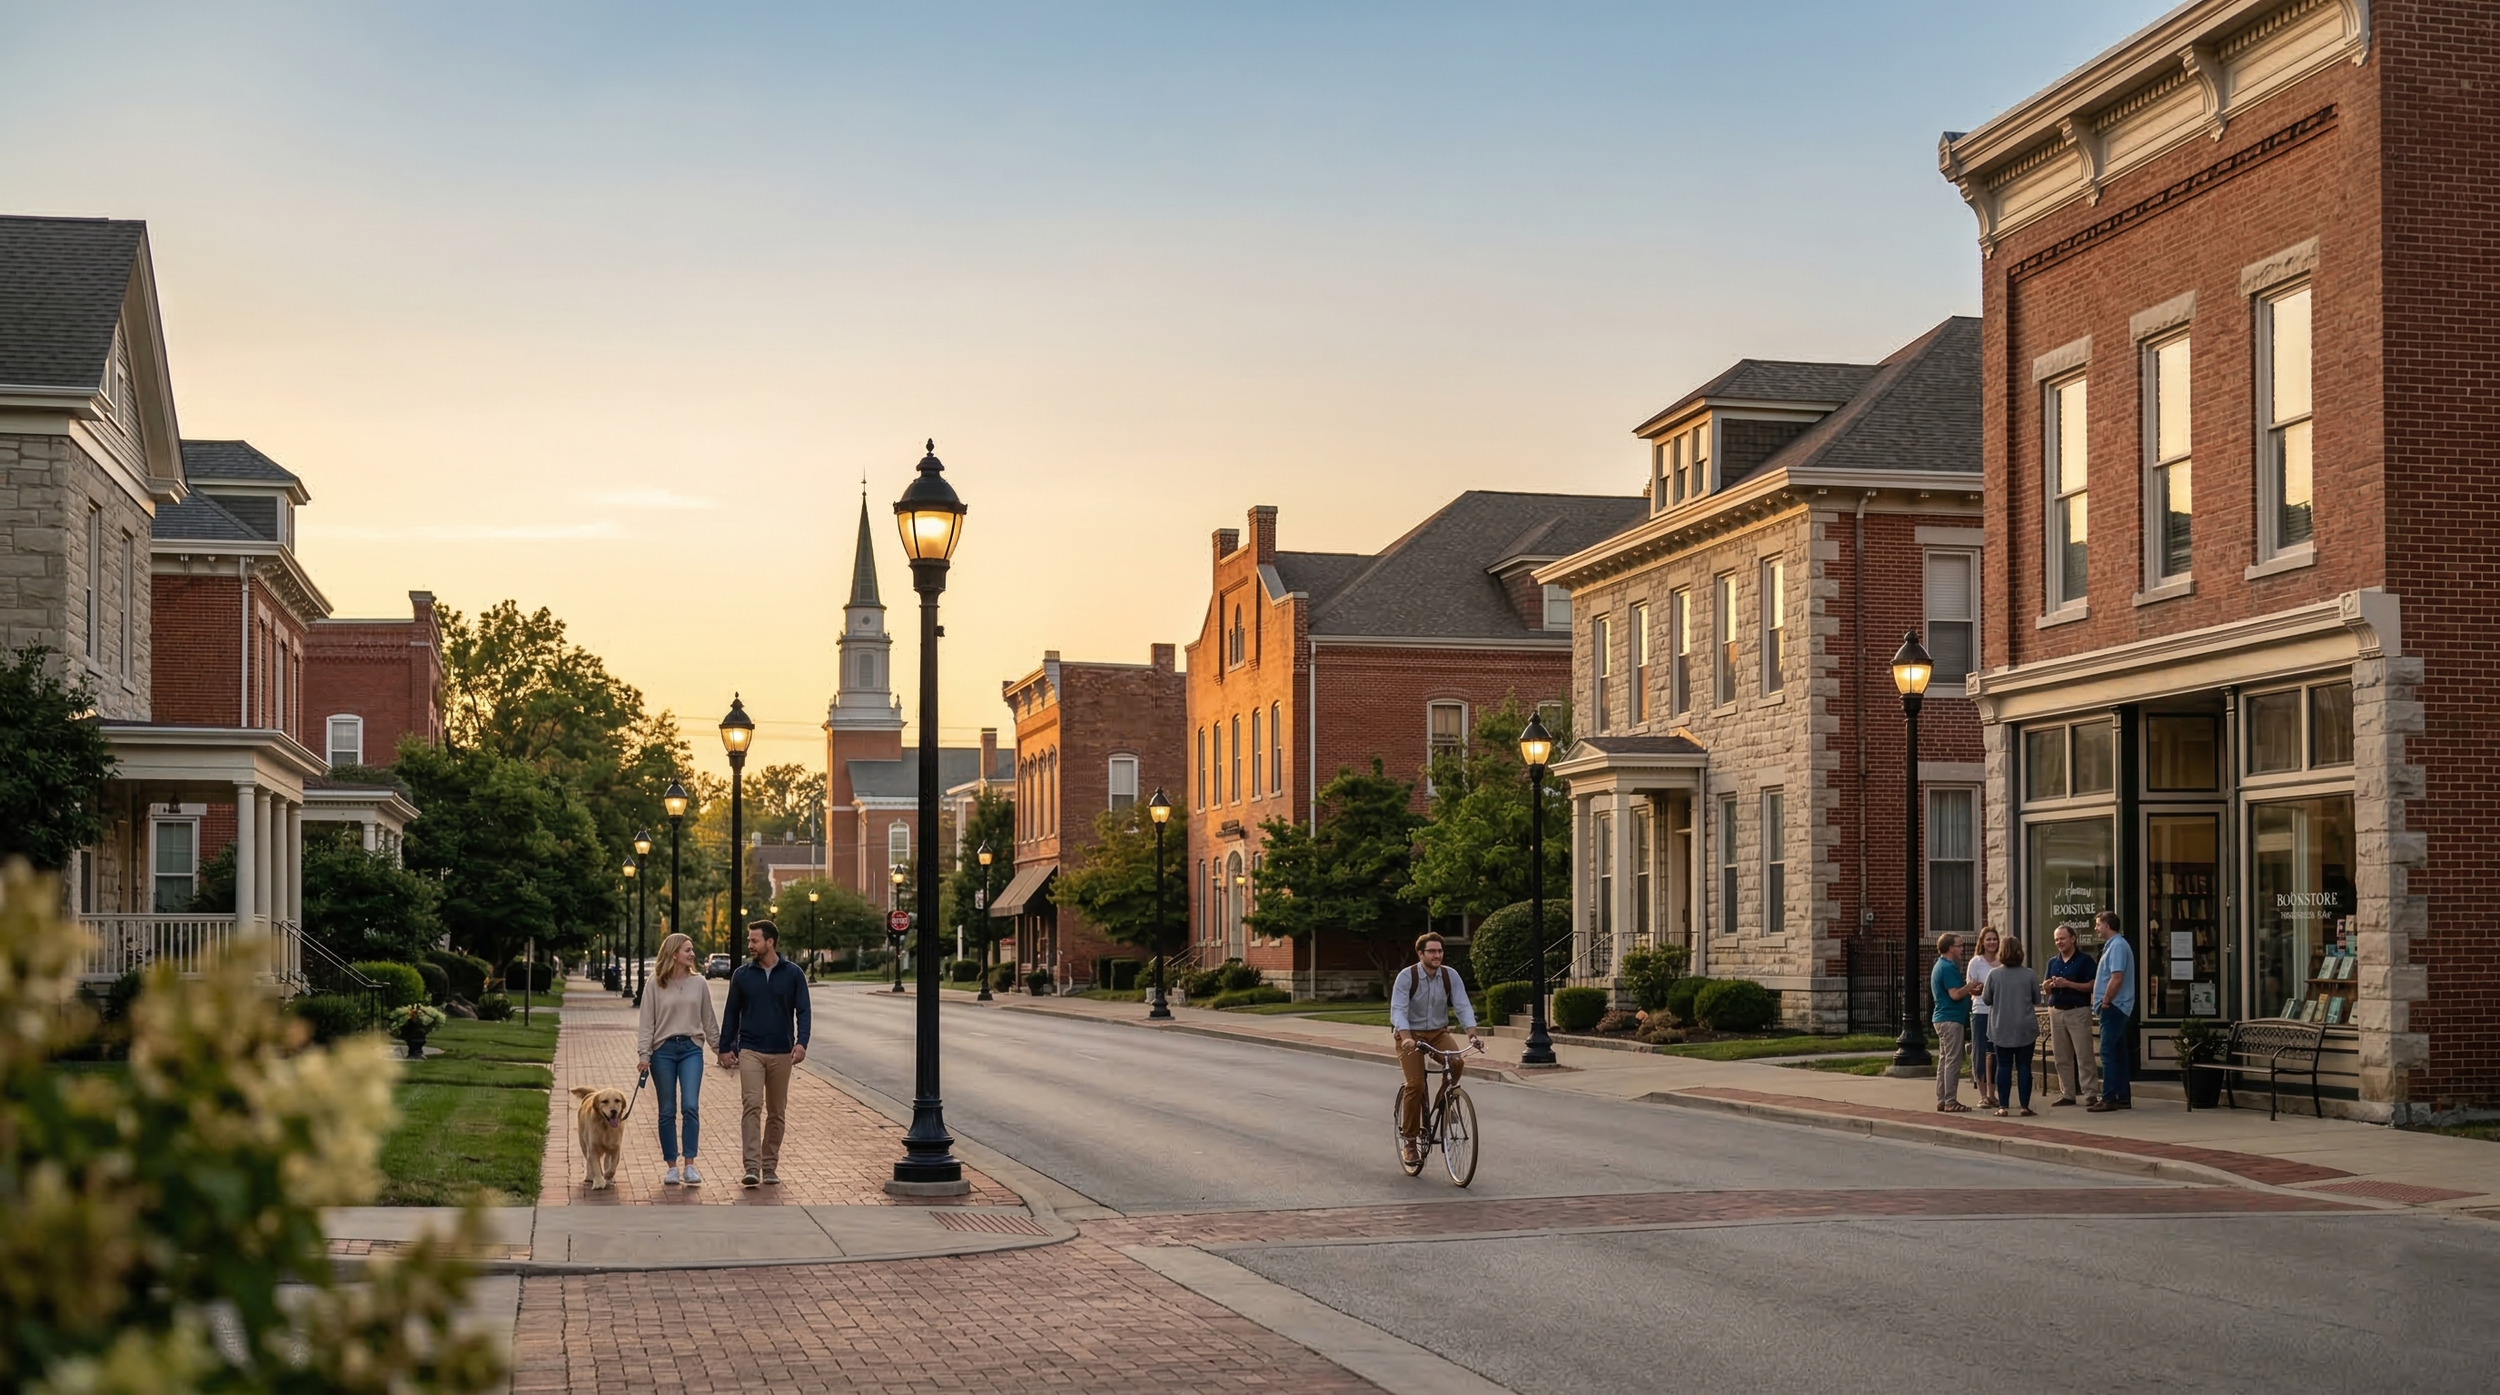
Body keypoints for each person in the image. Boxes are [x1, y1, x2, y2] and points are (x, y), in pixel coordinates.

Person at [717, 920, 811, 1186]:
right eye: (749, 940)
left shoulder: (793, 974)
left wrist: (801, 1042)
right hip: (750, 1050)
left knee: (777, 1111)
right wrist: (725, 1047)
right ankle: (751, 1167)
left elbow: (803, 1010)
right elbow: (731, 1012)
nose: (750, 945)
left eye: (754, 940)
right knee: (752, 1105)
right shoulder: (742, 975)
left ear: (770, 942)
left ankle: (769, 1166)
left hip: (782, 1052)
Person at [636, 932, 720, 1185]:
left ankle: (690, 1165)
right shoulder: (654, 984)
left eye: (692, 950)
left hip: (691, 1048)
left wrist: (721, 1050)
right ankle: (671, 1166)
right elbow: (646, 1023)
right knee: (667, 1110)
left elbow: (709, 1020)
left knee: (690, 1106)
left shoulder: (700, 983)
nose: (692, 954)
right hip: (663, 1051)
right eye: (687, 950)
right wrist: (644, 1055)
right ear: (674, 954)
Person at [1390, 932, 1480, 1167]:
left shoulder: (1450, 976)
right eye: (1432, 951)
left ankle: (1445, 1100)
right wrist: (1407, 1037)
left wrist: (1472, 1032)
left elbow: (1462, 1004)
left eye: (1440, 951)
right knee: (1416, 1084)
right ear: (1420, 954)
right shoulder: (1406, 977)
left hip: (1438, 1033)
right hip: (1409, 1035)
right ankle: (1410, 1141)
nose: (1437, 955)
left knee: (1457, 1061)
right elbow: (1398, 1010)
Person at [2041, 924, 2101, 1106]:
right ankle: (2067, 1093)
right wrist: (2048, 986)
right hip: (2057, 1011)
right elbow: (2045, 985)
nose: (2059, 942)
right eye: (2056, 939)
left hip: (2078, 1010)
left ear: (2073, 938)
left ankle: (2090, 1092)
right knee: (2061, 1055)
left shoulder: (2085, 961)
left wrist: (2068, 984)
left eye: (2062, 938)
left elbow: (2092, 985)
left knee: (2084, 1053)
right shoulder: (2053, 962)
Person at [1981, 935, 2041, 1117]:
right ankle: (2024, 1106)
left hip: (2001, 1026)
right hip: (2025, 1026)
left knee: (2004, 1065)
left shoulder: (1994, 974)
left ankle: (2003, 1106)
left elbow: (1986, 999)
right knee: (2024, 1066)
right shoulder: (2029, 974)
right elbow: (2037, 999)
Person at [2088, 911, 2135, 1112]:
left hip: (2114, 1007)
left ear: (2107, 926)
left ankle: (2109, 1097)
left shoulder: (2116, 947)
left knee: (2107, 1052)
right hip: (2117, 1006)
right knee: (2118, 1053)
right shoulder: (2116, 945)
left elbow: (2116, 977)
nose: (2096, 928)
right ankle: (2123, 1096)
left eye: (2098, 924)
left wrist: (2106, 1000)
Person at [1930, 933, 1980, 1113]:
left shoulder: (1940, 965)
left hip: (1943, 1018)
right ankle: (1950, 1101)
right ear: (1950, 948)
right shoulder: (1947, 967)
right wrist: (1969, 986)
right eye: (1959, 945)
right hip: (1950, 1019)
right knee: (1953, 1061)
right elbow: (1955, 994)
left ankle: (1942, 1099)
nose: (1962, 948)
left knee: (1944, 1060)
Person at [1967, 926, 2001, 1108]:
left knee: (1995, 1053)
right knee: (1980, 1052)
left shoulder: (2002, 962)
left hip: (1998, 1013)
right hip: (1980, 1011)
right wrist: (1978, 989)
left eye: (1994, 939)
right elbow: (1971, 988)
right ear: (1982, 942)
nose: (1992, 942)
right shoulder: (1976, 962)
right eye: (1988, 939)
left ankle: (1992, 1093)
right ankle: (1982, 1095)